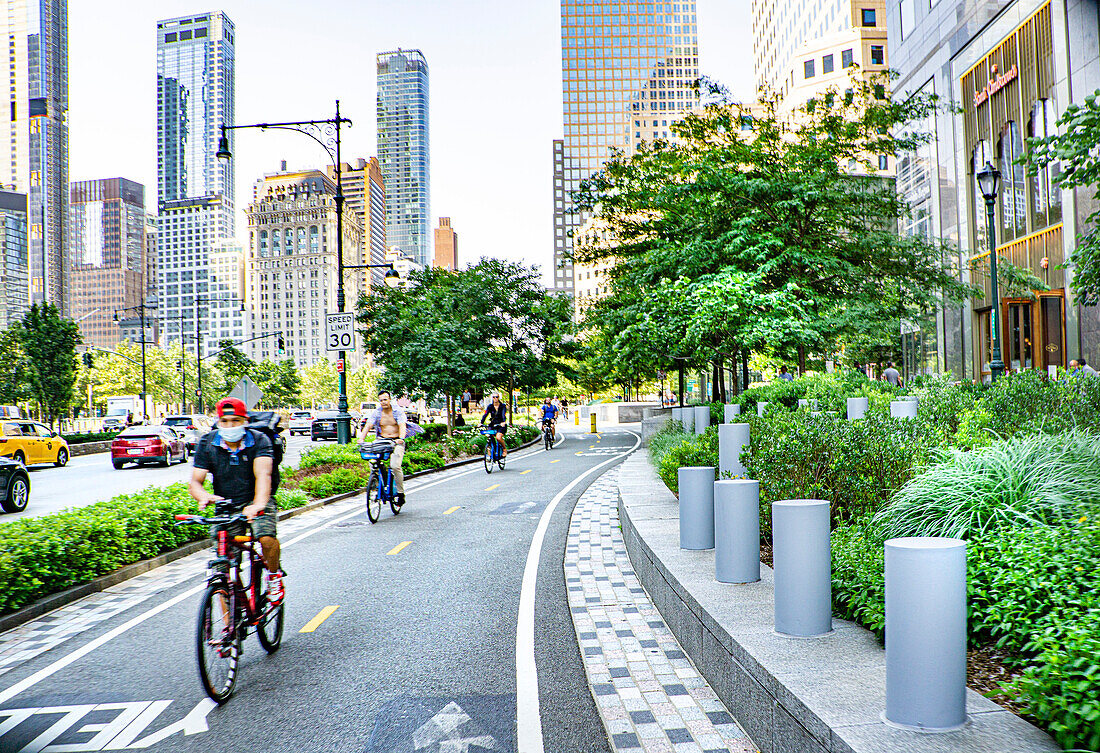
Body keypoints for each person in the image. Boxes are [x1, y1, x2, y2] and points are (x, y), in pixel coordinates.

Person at [190, 397, 283, 605]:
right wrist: (203, 496)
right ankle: (226, 629)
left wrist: (257, 505)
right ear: (218, 422)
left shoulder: (259, 440)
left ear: (245, 421)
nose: (230, 426)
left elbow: (263, 475)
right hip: (226, 504)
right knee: (220, 569)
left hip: (257, 498)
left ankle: (274, 576)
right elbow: (196, 481)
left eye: (236, 421)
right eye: (225, 421)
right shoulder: (207, 442)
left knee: (266, 538)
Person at [363, 391, 408, 507]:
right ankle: (378, 479)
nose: (383, 402)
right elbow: (368, 425)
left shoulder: (397, 411)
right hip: (382, 440)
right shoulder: (377, 412)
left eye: (385, 399)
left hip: (396, 441)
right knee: (372, 461)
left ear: (389, 400)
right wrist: (361, 439)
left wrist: (401, 438)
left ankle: (400, 493)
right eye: (381, 400)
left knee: (395, 466)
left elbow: (402, 425)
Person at [480, 391, 509, 459]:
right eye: (494, 397)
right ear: (492, 398)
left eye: (497, 397)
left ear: (499, 398)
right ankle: (490, 452)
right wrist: (481, 422)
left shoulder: (502, 406)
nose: (495, 398)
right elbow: (486, 414)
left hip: (500, 424)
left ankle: (504, 449)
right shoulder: (490, 406)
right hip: (493, 424)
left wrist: (503, 422)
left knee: (498, 437)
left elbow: (503, 414)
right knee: (489, 436)